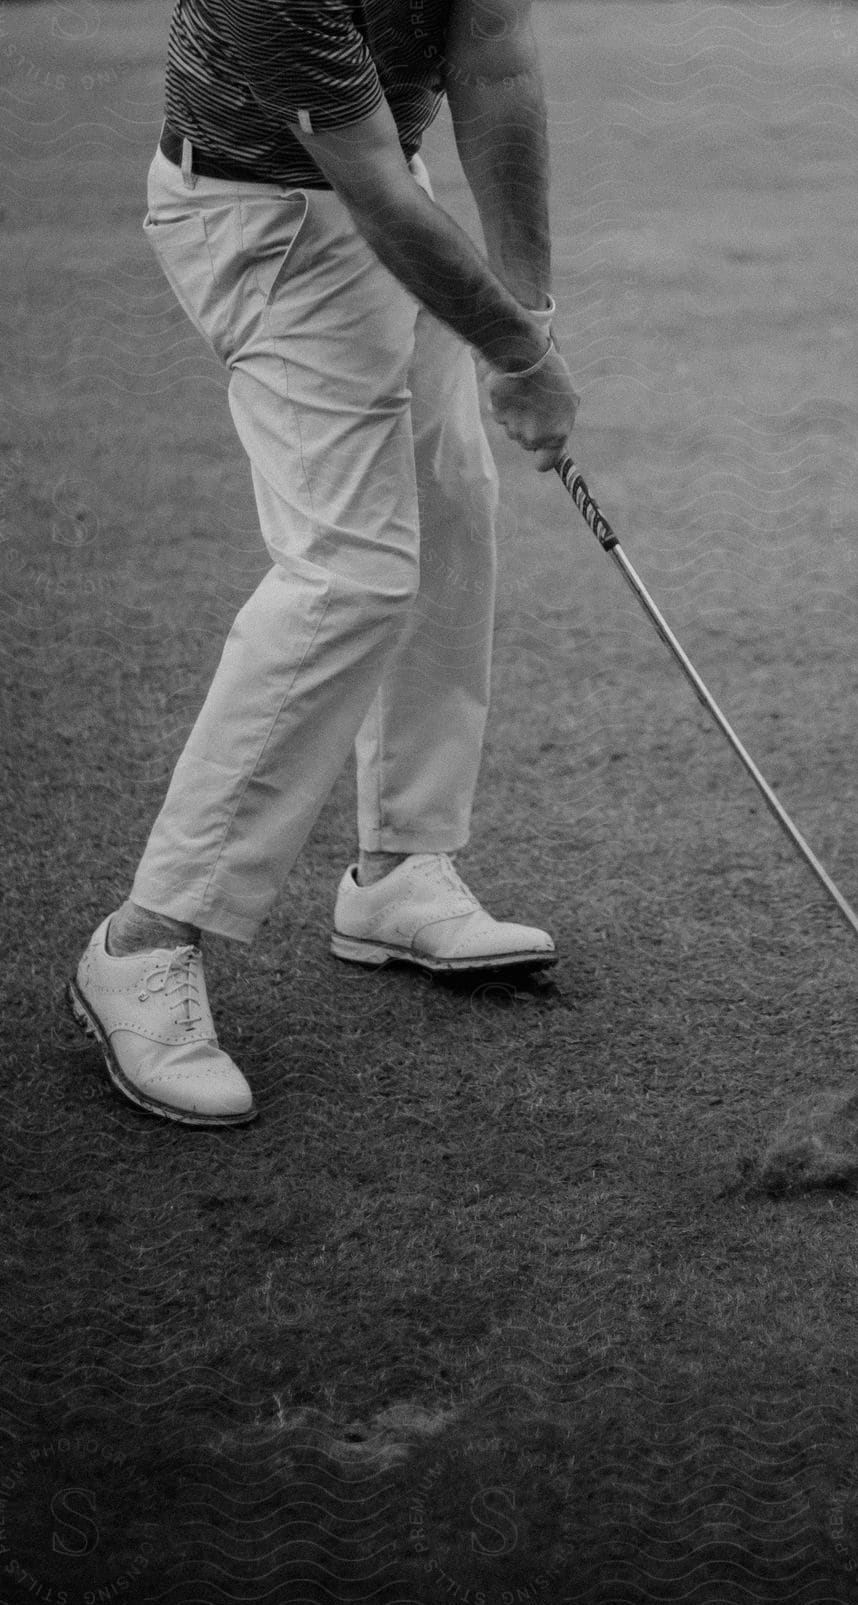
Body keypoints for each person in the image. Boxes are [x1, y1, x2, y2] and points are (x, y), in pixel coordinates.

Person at [68, 0, 579, 1127]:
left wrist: (528, 312)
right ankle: (143, 940)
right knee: (350, 573)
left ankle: (399, 872)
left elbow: (491, 55)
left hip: (379, 180)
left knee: (451, 505)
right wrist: (513, 350)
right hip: (260, 213)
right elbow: (368, 183)